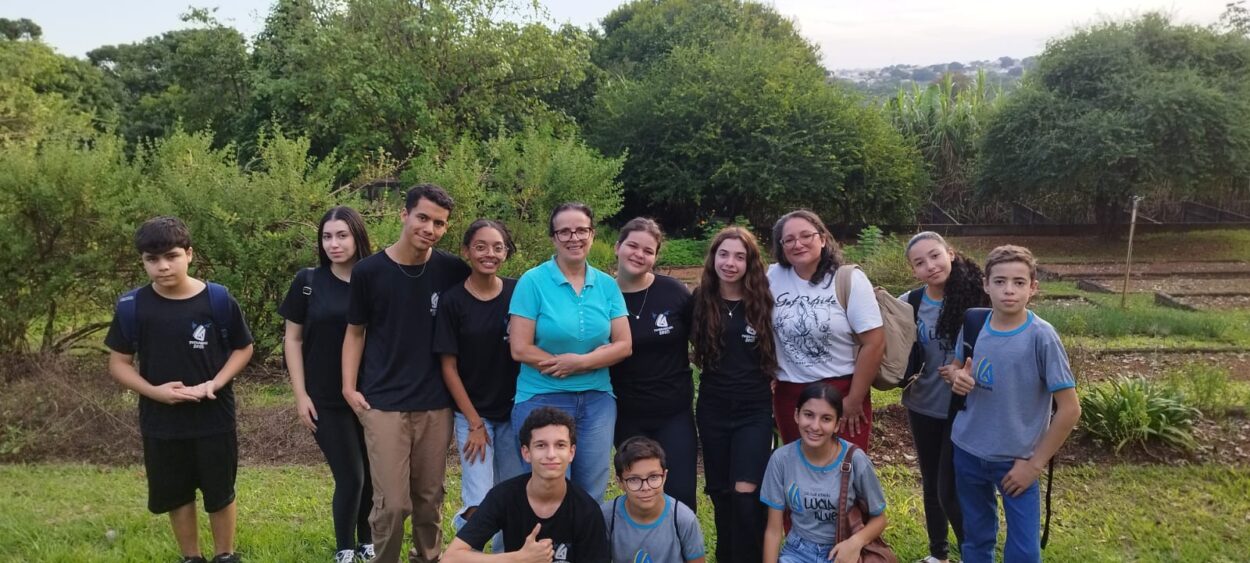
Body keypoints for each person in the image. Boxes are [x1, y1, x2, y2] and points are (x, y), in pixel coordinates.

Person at [105, 216, 254, 563]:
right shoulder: (132, 307)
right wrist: (156, 392)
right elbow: (118, 364)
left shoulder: (217, 299)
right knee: (176, 494)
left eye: (171, 256)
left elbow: (243, 348)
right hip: (161, 422)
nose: (162, 266)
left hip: (214, 416)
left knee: (220, 492)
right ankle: (191, 557)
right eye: (151, 259)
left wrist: (216, 382)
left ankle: (225, 555)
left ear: (189, 254)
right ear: (142, 261)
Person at [341, 184, 471, 563]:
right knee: (393, 504)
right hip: (383, 402)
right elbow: (355, 332)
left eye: (440, 223)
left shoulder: (451, 270)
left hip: (436, 403)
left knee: (429, 500)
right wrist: (349, 387)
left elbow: (482, 300)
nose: (430, 228)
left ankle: (427, 557)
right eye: (423, 218)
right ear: (404, 214)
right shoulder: (368, 272)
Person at [942, 245, 1082, 563]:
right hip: (968, 452)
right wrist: (955, 377)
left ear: (1033, 287)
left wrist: (1033, 466)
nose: (1009, 290)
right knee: (975, 539)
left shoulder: (1041, 337)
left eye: (1019, 282)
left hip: (1018, 462)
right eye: (1000, 281)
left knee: (1023, 550)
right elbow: (954, 367)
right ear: (986, 285)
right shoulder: (974, 324)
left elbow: (1070, 409)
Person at [509, 202, 633, 503]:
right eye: (564, 231)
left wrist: (580, 363)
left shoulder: (606, 284)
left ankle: (583, 550)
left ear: (592, 235)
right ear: (553, 237)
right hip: (541, 396)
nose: (573, 237)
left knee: (591, 488)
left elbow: (624, 344)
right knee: (547, 486)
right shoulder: (533, 282)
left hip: (597, 400)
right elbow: (520, 348)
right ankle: (544, 550)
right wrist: (581, 362)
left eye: (581, 230)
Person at [279, 206, 376, 563]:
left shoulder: (375, 279)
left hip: (371, 394)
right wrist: (300, 394)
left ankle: (367, 540)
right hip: (324, 396)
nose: (334, 244)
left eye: (342, 235)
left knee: (371, 473)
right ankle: (344, 548)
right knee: (351, 475)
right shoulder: (308, 282)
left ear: (357, 237)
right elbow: (293, 340)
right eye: (327, 236)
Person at [434, 219, 525, 544]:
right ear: (466, 251)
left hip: (515, 414)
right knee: (479, 499)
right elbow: (448, 367)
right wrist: (474, 423)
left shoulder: (518, 292)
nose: (490, 253)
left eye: (498, 247)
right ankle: (466, 552)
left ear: (506, 252)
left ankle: (507, 555)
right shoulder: (453, 301)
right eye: (481, 246)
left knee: (515, 494)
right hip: (473, 416)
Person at [690, 226, 777, 563]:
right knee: (720, 493)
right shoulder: (699, 300)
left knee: (745, 493)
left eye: (739, 256)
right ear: (713, 259)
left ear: (750, 262)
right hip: (711, 408)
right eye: (723, 254)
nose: (730, 262)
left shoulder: (766, 300)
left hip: (754, 410)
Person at [899, 231, 986, 563]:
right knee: (932, 483)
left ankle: (973, 552)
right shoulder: (910, 302)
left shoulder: (979, 297)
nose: (930, 266)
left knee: (951, 487)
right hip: (922, 403)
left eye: (935, 256)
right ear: (913, 270)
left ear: (950, 253)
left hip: (966, 406)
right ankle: (939, 553)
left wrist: (967, 370)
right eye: (920, 262)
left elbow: (997, 345)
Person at [768, 209, 884, 451]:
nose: (797, 244)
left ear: (822, 239)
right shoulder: (772, 277)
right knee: (800, 471)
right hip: (791, 394)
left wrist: (853, 400)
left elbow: (874, 342)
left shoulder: (847, 279)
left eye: (806, 236)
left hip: (841, 392)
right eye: (788, 239)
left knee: (843, 473)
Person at [443, 407, 611, 563]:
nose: (551, 454)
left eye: (560, 445)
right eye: (541, 445)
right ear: (526, 453)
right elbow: (450, 558)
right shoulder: (504, 496)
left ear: (571, 453)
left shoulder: (587, 510)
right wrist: (518, 559)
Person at [608, 217, 698, 510]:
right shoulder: (599, 294)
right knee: (640, 496)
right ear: (617, 247)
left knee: (681, 497)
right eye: (632, 245)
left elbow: (707, 342)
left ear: (656, 257)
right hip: (626, 414)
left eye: (648, 251)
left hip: (674, 414)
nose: (639, 254)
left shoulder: (674, 293)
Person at [762, 382, 888, 563]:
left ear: (837, 424)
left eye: (826, 419)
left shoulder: (855, 459)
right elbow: (773, 531)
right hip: (797, 552)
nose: (815, 426)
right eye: (808, 415)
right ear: (797, 415)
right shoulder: (781, 459)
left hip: (842, 551)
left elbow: (880, 519)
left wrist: (855, 543)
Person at [601, 437, 706, 563]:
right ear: (620, 482)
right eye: (634, 479)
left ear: (665, 476)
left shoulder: (683, 519)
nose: (646, 487)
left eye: (654, 477)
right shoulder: (607, 516)